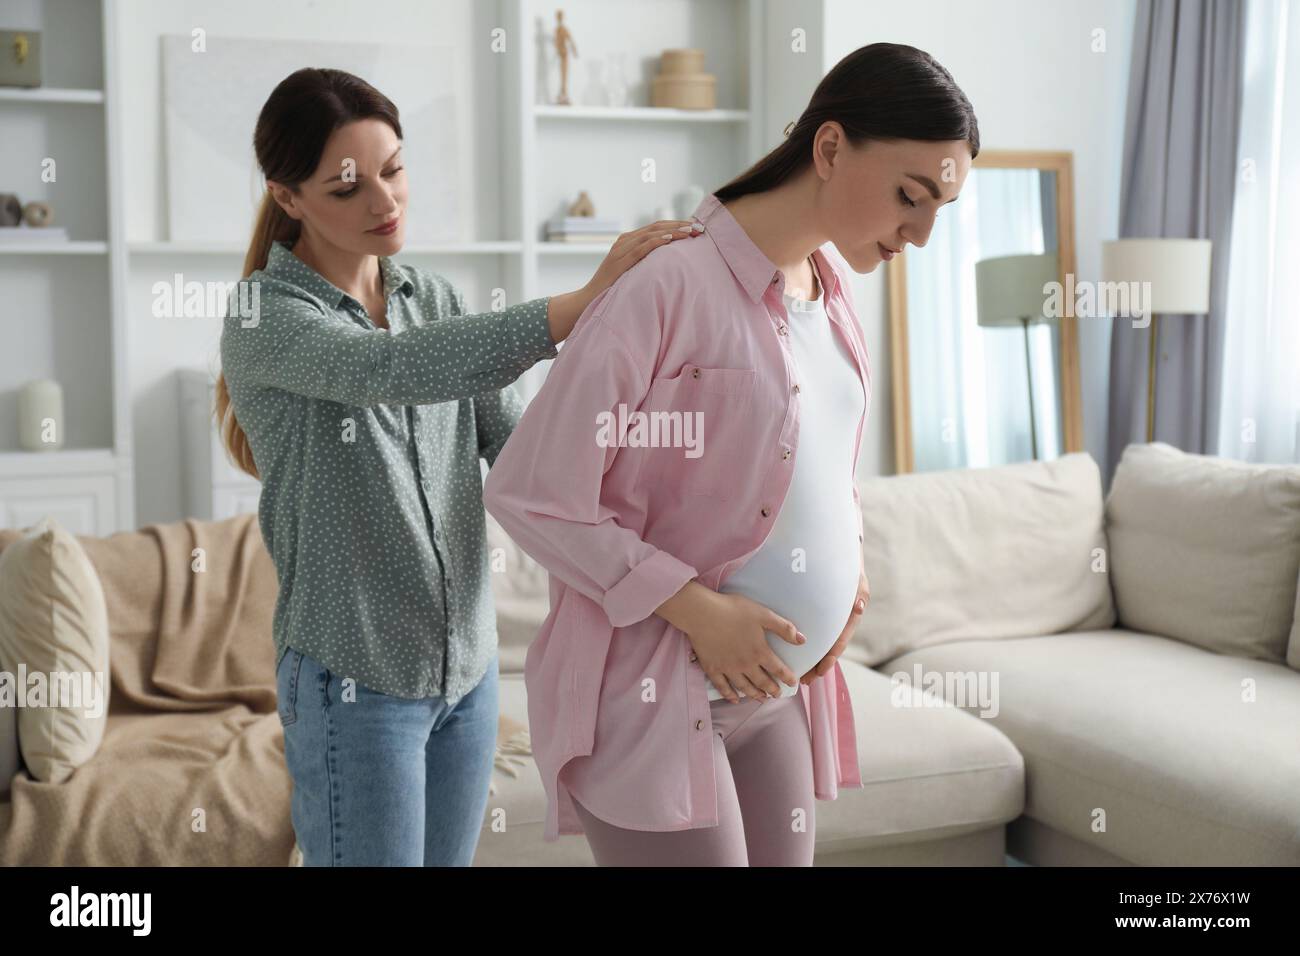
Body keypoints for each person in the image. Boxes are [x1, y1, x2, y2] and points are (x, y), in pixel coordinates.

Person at [482, 42, 978, 866]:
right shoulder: (667, 285)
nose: (920, 235)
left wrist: (846, 573)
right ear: (828, 148)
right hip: (653, 696)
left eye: (938, 211)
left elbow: (812, 458)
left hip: (776, 695)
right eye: (908, 197)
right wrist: (700, 610)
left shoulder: (832, 286)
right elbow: (531, 494)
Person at [215, 67, 704, 866]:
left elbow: (522, 451)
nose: (384, 201)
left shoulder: (431, 297)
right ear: (289, 196)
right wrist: (578, 305)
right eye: (347, 188)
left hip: (467, 677)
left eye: (394, 168)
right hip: (355, 683)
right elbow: (387, 369)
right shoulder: (263, 317)